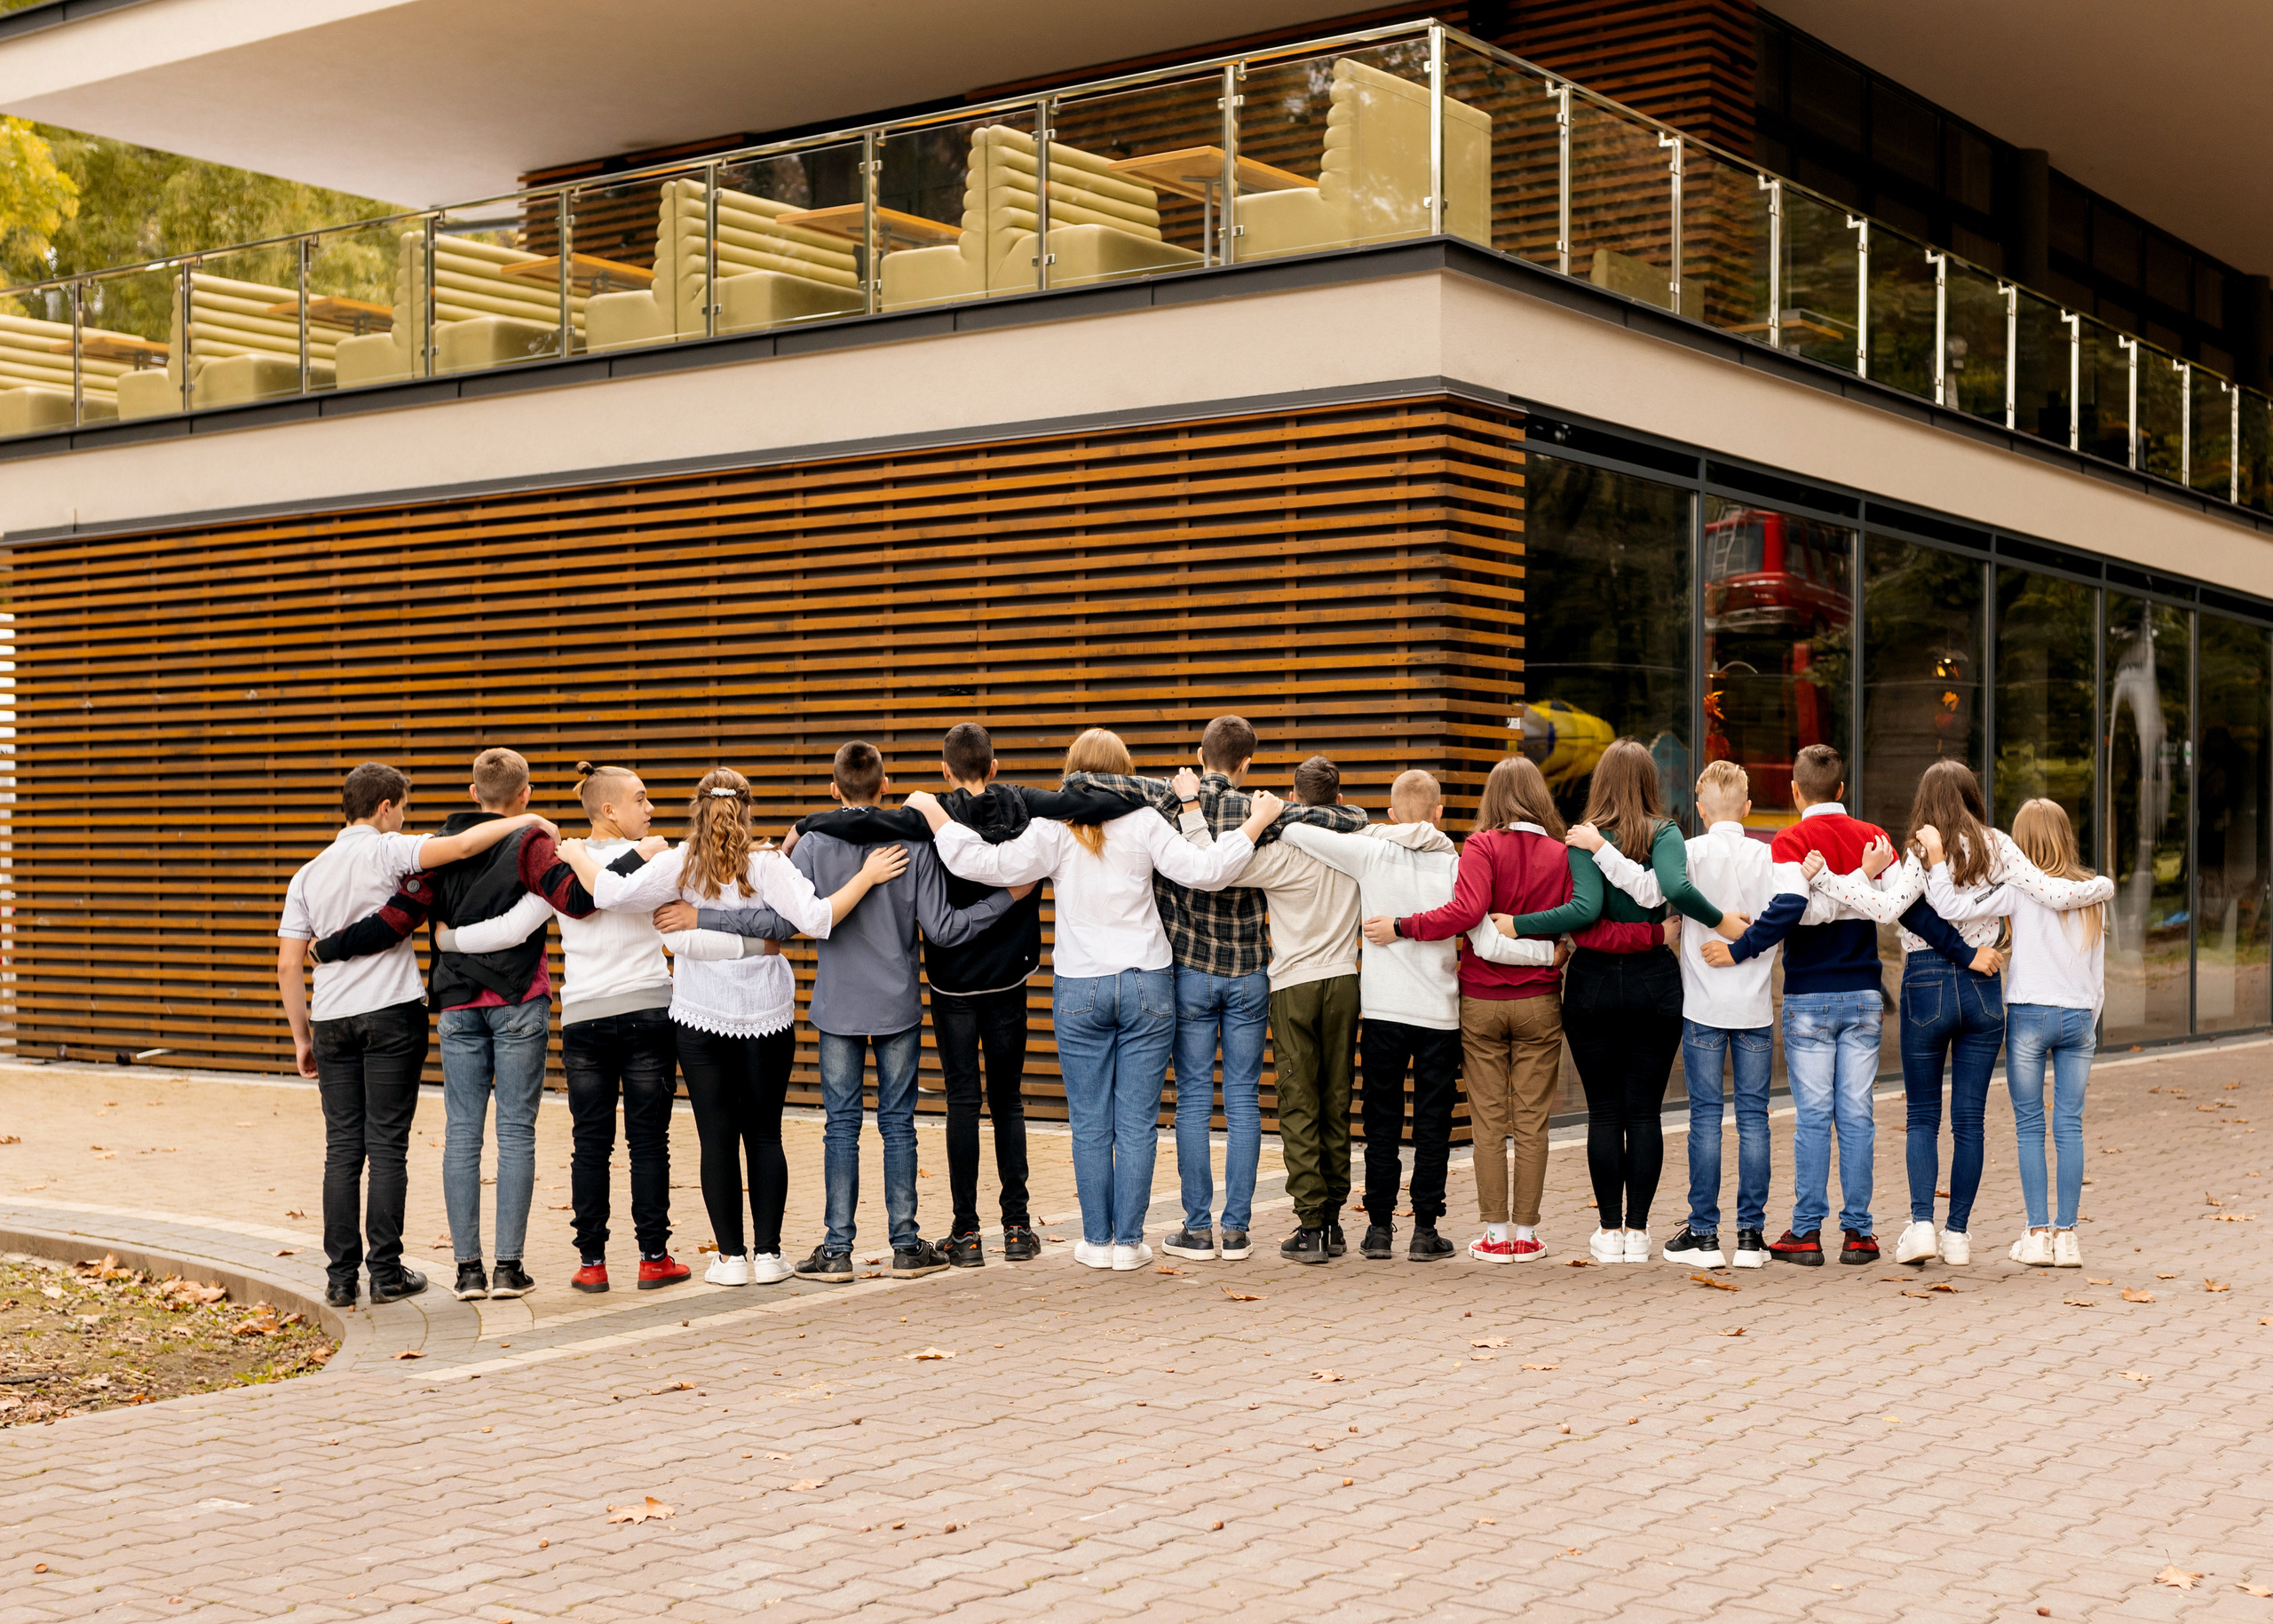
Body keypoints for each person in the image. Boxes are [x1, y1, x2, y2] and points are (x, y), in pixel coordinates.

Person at [748, 729, 1152, 1267]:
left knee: (935, 1106)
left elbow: (855, 830)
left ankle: (944, 1236)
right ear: (995, 763)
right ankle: (1004, 1229)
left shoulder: (916, 820)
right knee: (996, 1104)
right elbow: (940, 916)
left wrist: (803, 825)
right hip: (994, 980)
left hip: (928, 989)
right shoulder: (1020, 808)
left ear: (942, 770)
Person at [314, 762, 710, 1294]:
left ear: (473, 792)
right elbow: (573, 900)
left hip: (459, 1007)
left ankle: (469, 1271)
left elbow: (397, 917)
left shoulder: (439, 847)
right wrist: (625, 856)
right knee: (520, 1132)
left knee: (464, 1134)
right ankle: (510, 1267)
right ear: (525, 793)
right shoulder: (534, 845)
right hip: (522, 1001)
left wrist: (332, 948)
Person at [908, 729, 1281, 1271]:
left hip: (1080, 984)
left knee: (1089, 1122)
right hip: (1147, 981)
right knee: (1137, 1122)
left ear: (1071, 769)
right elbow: (1208, 872)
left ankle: (1096, 1242)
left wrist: (936, 816)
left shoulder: (1052, 828)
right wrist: (1256, 821)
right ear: (1125, 770)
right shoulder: (1147, 819)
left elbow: (981, 865)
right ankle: (1129, 1244)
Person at [678, 741, 1022, 1285]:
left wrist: (705, 919)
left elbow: (778, 925)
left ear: (833, 789)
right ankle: (906, 1246)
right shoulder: (913, 842)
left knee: (840, 1126)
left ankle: (837, 1249)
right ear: (885, 786)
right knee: (899, 1125)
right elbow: (944, 929)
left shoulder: (813, 842)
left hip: (836, 1007)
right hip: (898, 1007)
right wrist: (1009, 898)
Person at [558, 768, 907, 1286]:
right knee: (765, 1134)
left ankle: (730, 1260)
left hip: (700, 1014)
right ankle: (769, 1256)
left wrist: (575, 855)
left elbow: (607, 893)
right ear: (746, 809)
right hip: (767, 1013)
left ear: (698, 808)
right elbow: (816, 920)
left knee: (715, 1137)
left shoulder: (679, 862)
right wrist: (867, 876)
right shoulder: (768, 863)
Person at [1063, 719, 1365, 1263]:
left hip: (1190, 975)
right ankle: (1237, 1230)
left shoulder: (1164, 803)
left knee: (1195, 1101)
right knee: (1244, 1099)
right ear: (1247, 764)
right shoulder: (1263, 814)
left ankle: (1198, 1228)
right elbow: (1338, 816)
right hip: (1249, 972)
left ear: (1200, 755)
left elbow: (1107, 784)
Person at [1381, 756, 1691, 1264]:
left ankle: (1496, 1235)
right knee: (1532, 1122)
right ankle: (1530, 1234)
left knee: (1488, 1123)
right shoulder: (1560, 852)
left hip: (1481, 1001)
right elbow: (1582, 924)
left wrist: (1403, 925)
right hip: (1541, 1002)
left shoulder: (1479, 846)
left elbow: (1472, 918)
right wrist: (1558, 952)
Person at [1797, 761, 2107, 1267]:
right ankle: (1958, 1234)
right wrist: (2101, 887)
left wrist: (1828, 879)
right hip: (1983, 985)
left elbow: (1886, 909)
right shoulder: (1999, 845)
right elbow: (2051, 892)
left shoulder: (1920, 850)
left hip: (1924, 982)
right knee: (1971, 1120)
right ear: (1972, 794)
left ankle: (1922, 1226)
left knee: (1922, 1116)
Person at [276, 761, 554, 1310]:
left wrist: (301, 1036)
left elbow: (288, 965)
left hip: (331, 1019)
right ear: (385, 808)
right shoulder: (391, 850)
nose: (402, 816)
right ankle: (385, 1274)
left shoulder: (307, 873)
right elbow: (463, 844)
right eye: (400, 807)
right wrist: (534, 821)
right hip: (390, 1014)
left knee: (341, 1150)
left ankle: (339, 1279)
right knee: (386, 1147)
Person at [1285, 769, 1556, 1263]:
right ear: (1439, 813)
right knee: (1433, 1127)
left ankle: (1379, 1231)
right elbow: (1487, 939)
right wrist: (1548, 957)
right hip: (1440, 1015)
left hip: (1384, 1011)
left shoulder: (1369, 849)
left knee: (1382, 1125)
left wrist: (1368, 829)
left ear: (1391, 814)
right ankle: (1426, 1232)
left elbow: (1299, 831)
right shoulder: (1457, 862)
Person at [1500, 740, 1734, 1264]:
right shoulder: (1667, 832)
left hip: (1593, 986)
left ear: (1600, 782)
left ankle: (1609, 1232)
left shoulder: (1583, 840)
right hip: (1656, 985)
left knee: (1604, 1112)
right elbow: (1671, 889)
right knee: (1644, 1112)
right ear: (1650, 782)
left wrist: (1518, 926)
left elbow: (1583, 916)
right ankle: (1640, 1232)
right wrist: (1662, 933)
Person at [1577, 760, 1783, 1269]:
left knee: (1707, 1119)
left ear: (1700, 809)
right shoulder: (1768, 855)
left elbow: (1647, 891)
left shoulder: (1688, 850)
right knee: (1755, 1120)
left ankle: (1706, 1236)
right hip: (1755, 1007)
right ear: (1749, 807)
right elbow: (1792, 911)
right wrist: (1748, 944)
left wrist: (1600, 848)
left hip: (1703, 1008)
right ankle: (1752, 1240)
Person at [1703, 743, 1895, 1266]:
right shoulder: (1874, 839)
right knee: (1856, 1114)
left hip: (1809, 995)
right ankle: (1859, 1234)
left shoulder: (1789, 841)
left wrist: (1741, 947)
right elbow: (1891, 908)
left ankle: (1806, 1233)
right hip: (1862, 994)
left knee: (1813, 1115)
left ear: (1793, 791)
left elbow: (1791, 909)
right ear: (1842, 789)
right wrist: (1859, 882)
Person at [1179, 754, 1368, 1265]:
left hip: (1293, 986)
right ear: (1338, 797)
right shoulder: (1358, 847)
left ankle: (1309, 1226)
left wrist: (1194, 808)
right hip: (1345, 982)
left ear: (1294, 794)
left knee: (1299, 1102)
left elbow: (1211, 868)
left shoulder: (1283, 851)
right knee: (1336, 1097)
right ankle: (1332, 1221)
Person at [1926, 797, 2110, 1269]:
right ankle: (2068, 1238)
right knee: (2069, 1124)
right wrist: (2089, 1021)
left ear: (2021, 842)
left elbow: (1955, 908)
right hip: (2078, 1016)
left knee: (2030, 1125)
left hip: (2029, 1013)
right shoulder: (2091, 893)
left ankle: (2036, 1234)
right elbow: (2098, 971)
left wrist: (1938, 864)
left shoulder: (2017, 888)